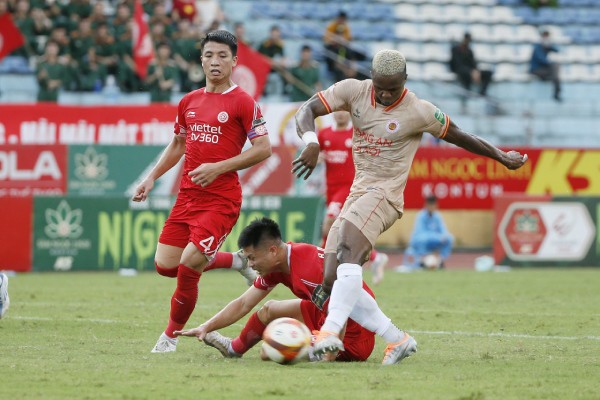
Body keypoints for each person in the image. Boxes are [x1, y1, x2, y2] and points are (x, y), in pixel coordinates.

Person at [292, 49, 528, 360]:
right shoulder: (354, 90)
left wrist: (500, 156)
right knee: (330, 274)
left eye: (393, 88)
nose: (387, 95)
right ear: (371, 80)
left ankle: (329, 332)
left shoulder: (420, 111)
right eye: (381, 88)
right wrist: (311, 141)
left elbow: (459, 135)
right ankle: (397, 339)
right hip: (359, 191)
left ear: (405, 80)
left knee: (350, 249)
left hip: (385, 194)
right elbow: (307, 109)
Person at [132, 30, 272, 353]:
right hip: (187, 197)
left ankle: (169, 337)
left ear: (235, 61)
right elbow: (178, 144)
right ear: (201, 60)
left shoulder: (243, 102)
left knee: (188, 265)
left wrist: (219, 167)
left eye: (223, 56)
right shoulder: (189, 101)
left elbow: (263, 148)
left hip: (221, 201)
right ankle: (237, 262)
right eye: (209, 55)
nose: (215, 62)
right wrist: (151, 177)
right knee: (165, 265)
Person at [176, 217, 408, 364]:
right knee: (268, 310)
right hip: (327, 315)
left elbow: (342, 312)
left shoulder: (308, 270)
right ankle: (233, 349)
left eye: (252, 258)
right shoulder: (279, 265)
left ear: (273, 251)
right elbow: (244, 303)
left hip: (353, 337)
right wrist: (207, 327)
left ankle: (323, 349)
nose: (251, 264)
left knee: (272, 350)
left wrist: (327, 353)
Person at [318, 111, 389, 284]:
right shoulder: (324, 134)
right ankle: (374, 257)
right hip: (331, 189)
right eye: (337, 111)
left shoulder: (357, 133)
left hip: (350, 188)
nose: (341, 115)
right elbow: (319, 157)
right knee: (341, 230)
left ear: (350, 114)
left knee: (329, 224)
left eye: (344, 111)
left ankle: (321, 263)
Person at [401, 195, 453, 270]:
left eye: (433, 205)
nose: (432, 207)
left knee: (449, 238)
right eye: (430, 205)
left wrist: (443, 237)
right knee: (423, 239)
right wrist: (437, 238)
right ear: (426, 205)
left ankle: (440, 260)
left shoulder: (438, 216)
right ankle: (422, 260)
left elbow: (444, 231)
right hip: (421, 241)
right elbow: (421, 234)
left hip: (433, 242)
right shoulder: (421, 216)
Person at [449, 33, 492, 97]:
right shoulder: (455, 49)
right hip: (460, 70)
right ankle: (467, 93)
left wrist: (476, 72)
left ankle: (482, 93)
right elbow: (457, 64)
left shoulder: (469, 51)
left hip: (470, 71)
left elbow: (473, 63)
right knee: (465, 74)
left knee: (488, 73)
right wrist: (471, 72)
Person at [529, 30, 561, 101]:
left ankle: (556, 88)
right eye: (545, 36)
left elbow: (557, 50)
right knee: (554, 66)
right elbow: (541, 59)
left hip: (543, 70)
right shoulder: (537, 47)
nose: (546, 38)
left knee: (555, 68)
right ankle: (556, 92)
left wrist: (550, 46)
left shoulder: (546, 47)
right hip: (536, 70)